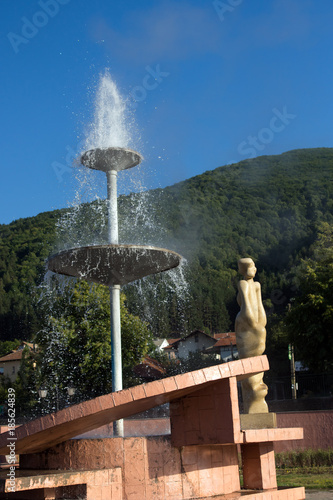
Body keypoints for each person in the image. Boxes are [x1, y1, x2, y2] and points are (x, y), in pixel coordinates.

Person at [235, 258, 268, 413]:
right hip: (246, 322)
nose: (254, 268)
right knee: (250, 354)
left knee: (259, 349)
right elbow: (246, 306)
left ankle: (256, 391)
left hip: (255, 322)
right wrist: (254, 325)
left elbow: (259, 304)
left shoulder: (256, 285)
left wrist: (261, 321)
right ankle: (252, 390)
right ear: (243, 270)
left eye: (254, 265)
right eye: (250, 266)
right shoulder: (243, 284)